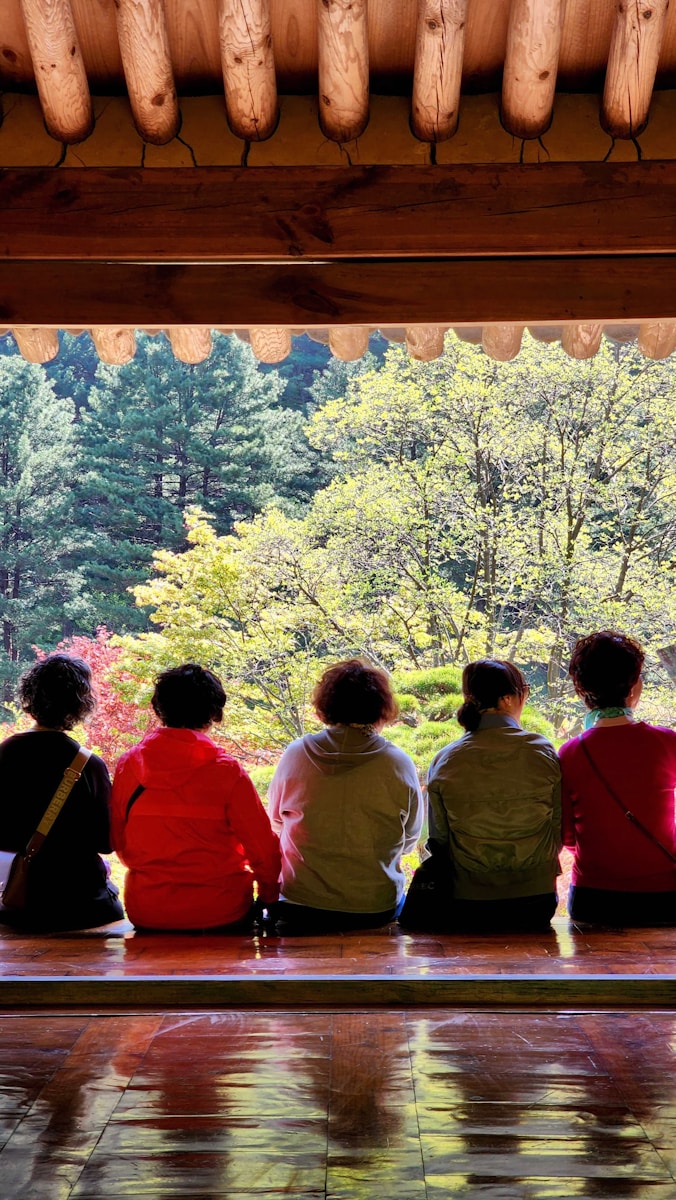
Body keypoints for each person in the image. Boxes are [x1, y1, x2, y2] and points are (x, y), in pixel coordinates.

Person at [111, 663, 280, 932]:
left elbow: (117, 838)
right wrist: (269, 896)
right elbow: (261, 847)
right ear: (213, 712)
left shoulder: (128, 766)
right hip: (222, 910)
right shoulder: (226, 771)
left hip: (149, 910)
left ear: (158, 708)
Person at [267, 658, 423, 933]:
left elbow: (276, 823)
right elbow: (410, 837)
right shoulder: (397, 762)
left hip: (300, 903)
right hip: (372, 907)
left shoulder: (296, 754)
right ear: (381, 707)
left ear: (325, 705)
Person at [420, 659, 561, 932]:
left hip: (468, 902)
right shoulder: (540, 750)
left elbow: (439, 839)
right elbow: (557, 826)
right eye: (525, 691)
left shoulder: (447, 758)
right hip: (536, 902)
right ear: (508, 699)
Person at [560, 631, 676, 926]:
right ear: (635, 686)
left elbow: (567, 836)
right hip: (666, 895)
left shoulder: (570, 753)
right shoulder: (667, 742)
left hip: (594, 900)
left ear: (581, 691)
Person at [0, 654, 124, 931]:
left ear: (29, 696)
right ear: (80, 705)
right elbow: (106, 842)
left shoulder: (5, 753)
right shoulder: (88, 764)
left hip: (22, 902)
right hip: (84, 904)